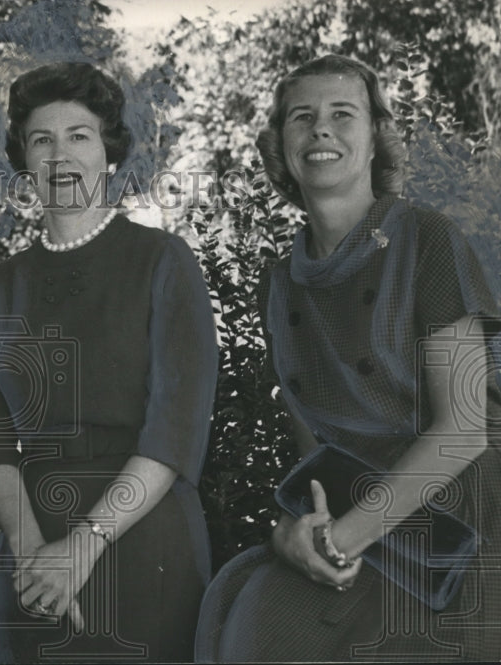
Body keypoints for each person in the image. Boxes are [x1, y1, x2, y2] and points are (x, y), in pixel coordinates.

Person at [195, 54, 501, 661]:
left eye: (343, 114)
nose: (322, 130)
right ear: (281, 146)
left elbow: (463, 432)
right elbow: (315, 451)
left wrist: (343, 540)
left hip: (460, 518)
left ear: (375, 138)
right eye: (302, 117)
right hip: (352, 513)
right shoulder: (278, 284)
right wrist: (297, 535)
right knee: (256, 622)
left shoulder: (427, 239)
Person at [0, 61, 218, 662]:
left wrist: (80, 550)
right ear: (24, 161)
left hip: (141, 539)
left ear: (107, 151)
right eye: (41, 139)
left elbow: (175, 428)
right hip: (30, 549)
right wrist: (34, 557)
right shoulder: (1, 284)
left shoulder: (162, 259)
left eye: (78, 136)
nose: (61, 155)